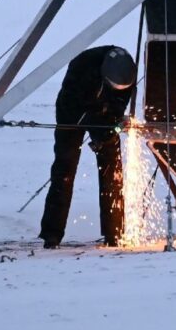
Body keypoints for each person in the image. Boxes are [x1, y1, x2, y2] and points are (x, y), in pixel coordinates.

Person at [39, 45, 137, 248]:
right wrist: (98, 127)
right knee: (64, 171)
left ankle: (114, 233)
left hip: (105, 113)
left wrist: (113, 124)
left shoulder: (127, 73)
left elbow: (119, 104)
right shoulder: (82, 67)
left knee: (113, 173)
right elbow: (76, 106)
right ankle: (52, 234)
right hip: (72, 112)